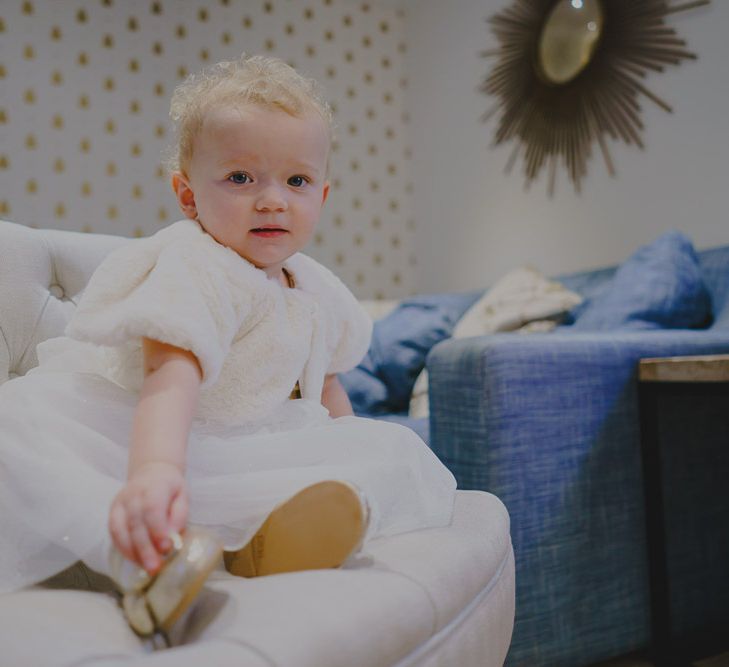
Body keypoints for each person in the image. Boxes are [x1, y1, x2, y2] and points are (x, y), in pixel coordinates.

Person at [0, 54, 456, 641]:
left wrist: (352, 446)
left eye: (296, 181)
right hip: (146, 433)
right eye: (241, 178)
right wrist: (155, 472)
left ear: (323, 194)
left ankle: (260, 544)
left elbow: (330, 382)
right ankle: (147, 564)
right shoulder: (198, 265)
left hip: (251, 443)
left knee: (382, 449)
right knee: (25, 435)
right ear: (188, 196)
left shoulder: (316, 287)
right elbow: (172, 373)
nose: (272, 199)